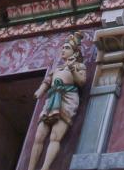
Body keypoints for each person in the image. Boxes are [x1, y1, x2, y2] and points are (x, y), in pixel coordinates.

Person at [27, 32, 87, 170]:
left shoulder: (79, 66)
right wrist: (40, 91)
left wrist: (72, 68)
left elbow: (82, 81)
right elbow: (48, 81)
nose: (63, 50)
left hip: (67, 98)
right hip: (52, 98)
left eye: (66, 48)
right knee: (39, 135)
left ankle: (45, 168)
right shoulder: (57, 68)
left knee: (55, 135)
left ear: (75, 52)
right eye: (63, 47)